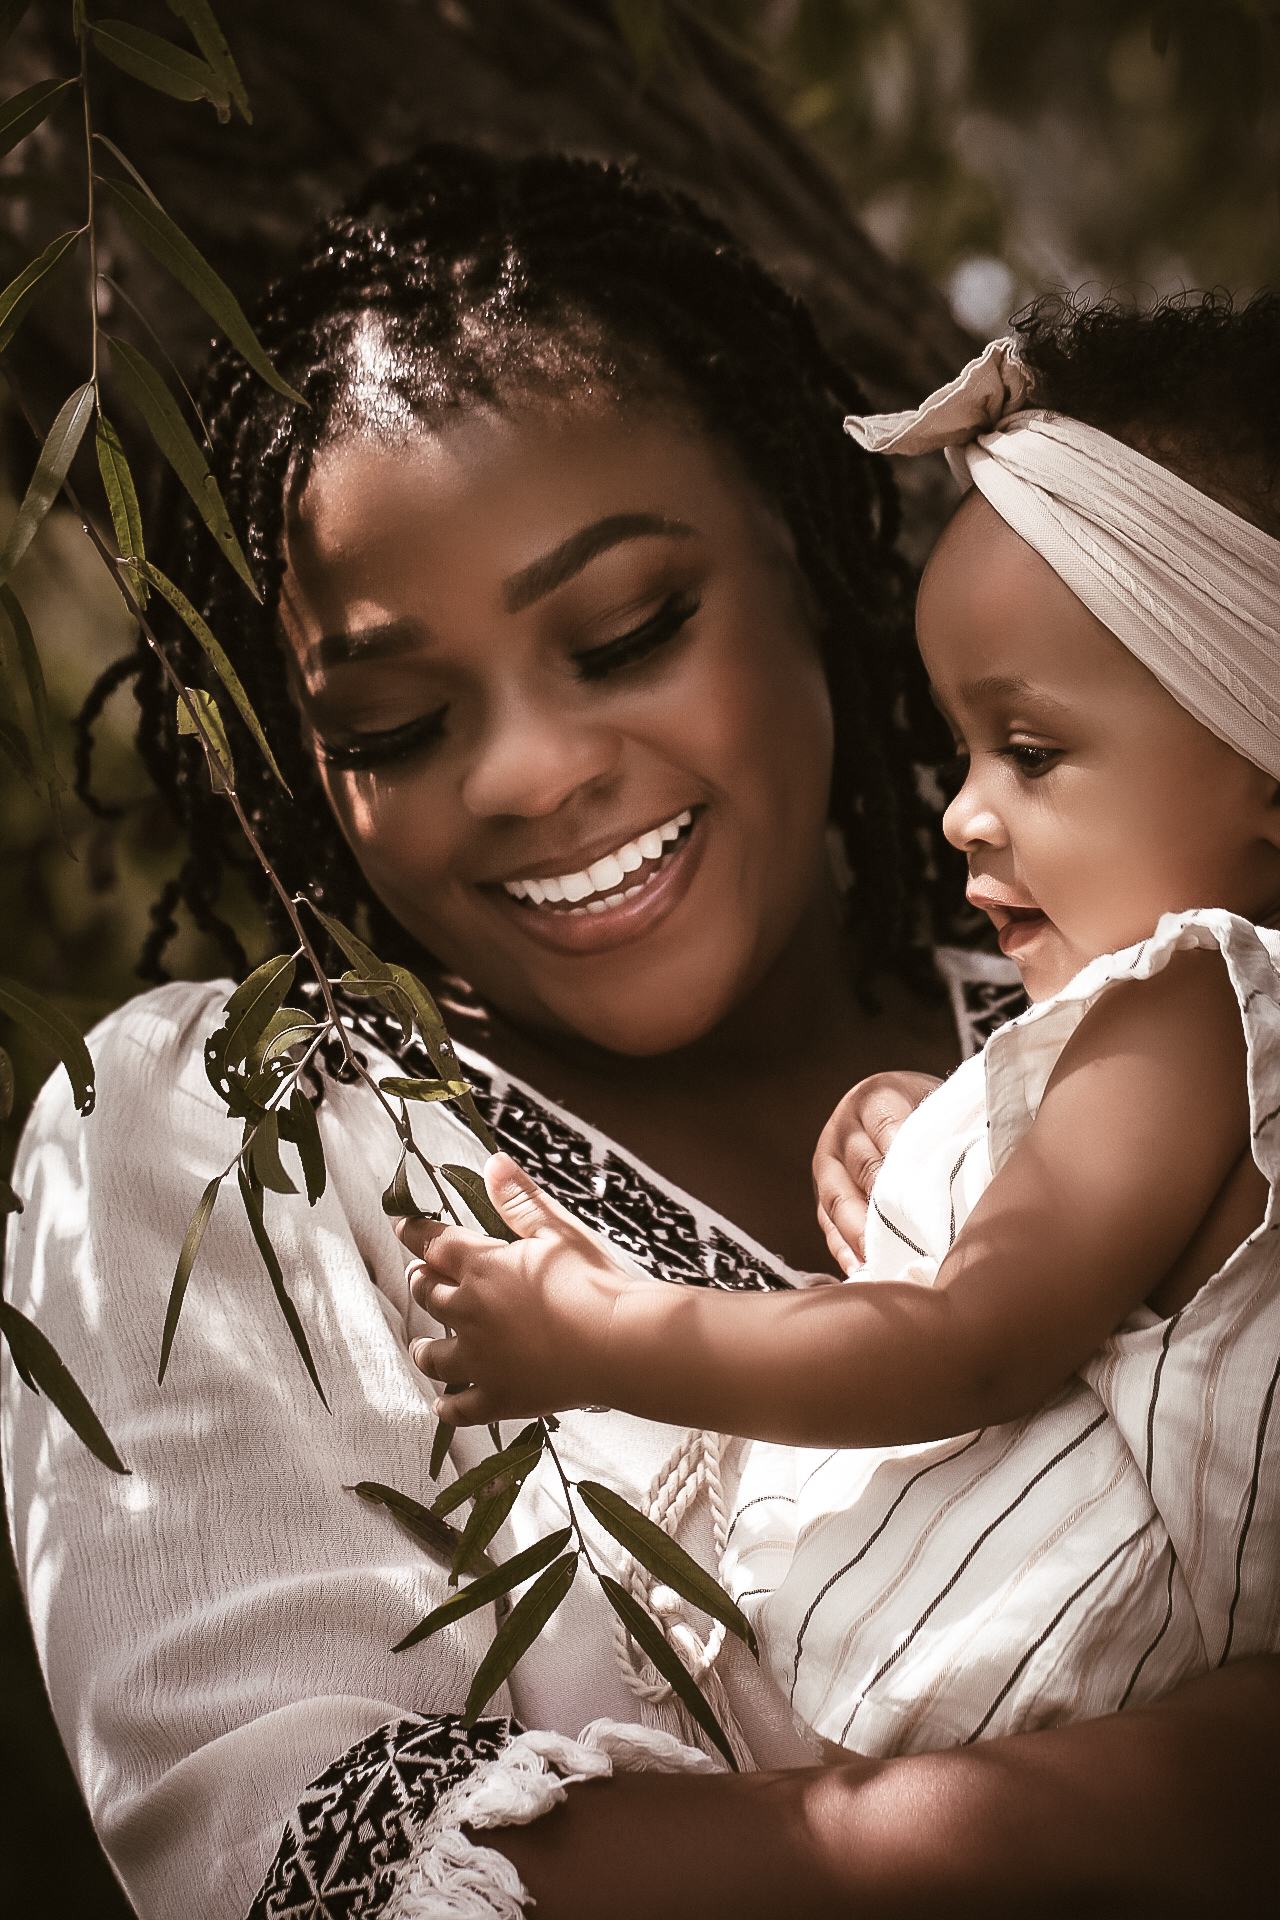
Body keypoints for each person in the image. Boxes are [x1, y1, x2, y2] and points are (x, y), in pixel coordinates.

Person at [1, 146, 1273, 1919]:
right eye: (389, 727)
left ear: (810, 571)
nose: (529, 774)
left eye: (628, 630)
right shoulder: (229, 1131)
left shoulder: (1139, 982)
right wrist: (1188, 1803)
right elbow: (297, 1871)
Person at [408, 305, 1280, 1760]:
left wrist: (611, 1337)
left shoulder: (1195, 1001)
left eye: (1036, 752)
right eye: (957, 747)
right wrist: (939, 1128)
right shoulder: (1177, 1045)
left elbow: (971, 1348)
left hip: (1023, 1767)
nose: (960, 809)